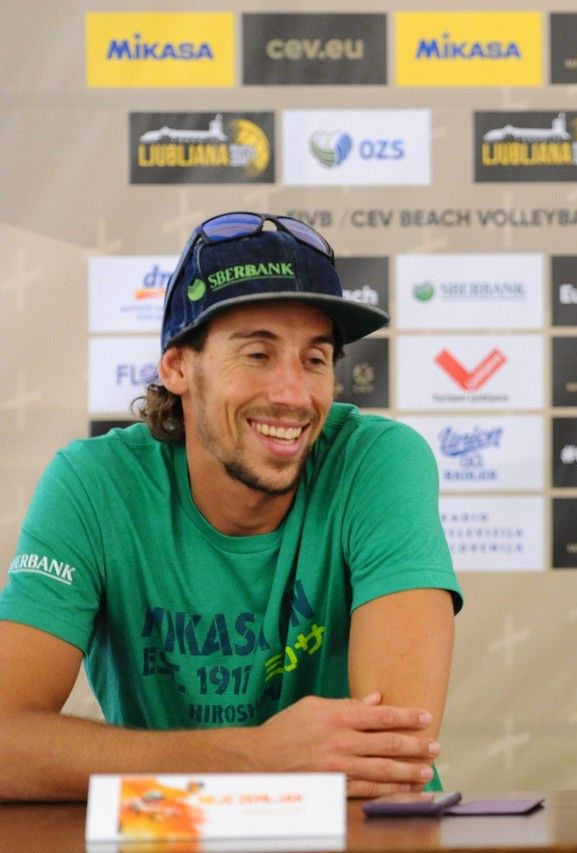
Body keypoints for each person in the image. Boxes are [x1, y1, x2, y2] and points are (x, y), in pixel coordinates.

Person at [0, 212, 461, 800]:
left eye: (315, 359)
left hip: (359, 835)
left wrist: (202, 768)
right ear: (177, 367)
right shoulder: (94, 485)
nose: (293, 395)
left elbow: (389, 760)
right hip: (172, 831)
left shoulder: (377, 461)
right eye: (258, 355)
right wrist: (255, 756)